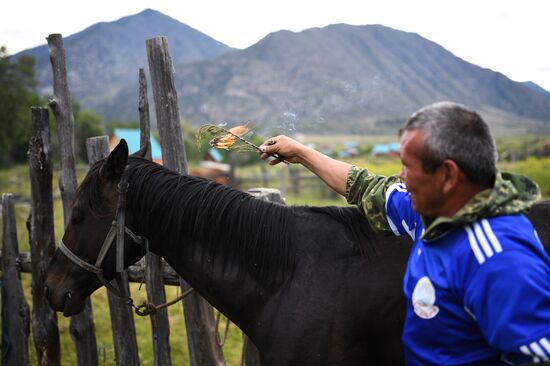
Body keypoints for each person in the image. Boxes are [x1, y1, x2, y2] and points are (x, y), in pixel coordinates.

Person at [258, 101, 550, 365]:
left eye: (408, 167)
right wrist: (301, 152)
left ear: (447, 175)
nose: (401, 176)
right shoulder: (429, 212)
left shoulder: (499, 259)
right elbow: (366, 187)